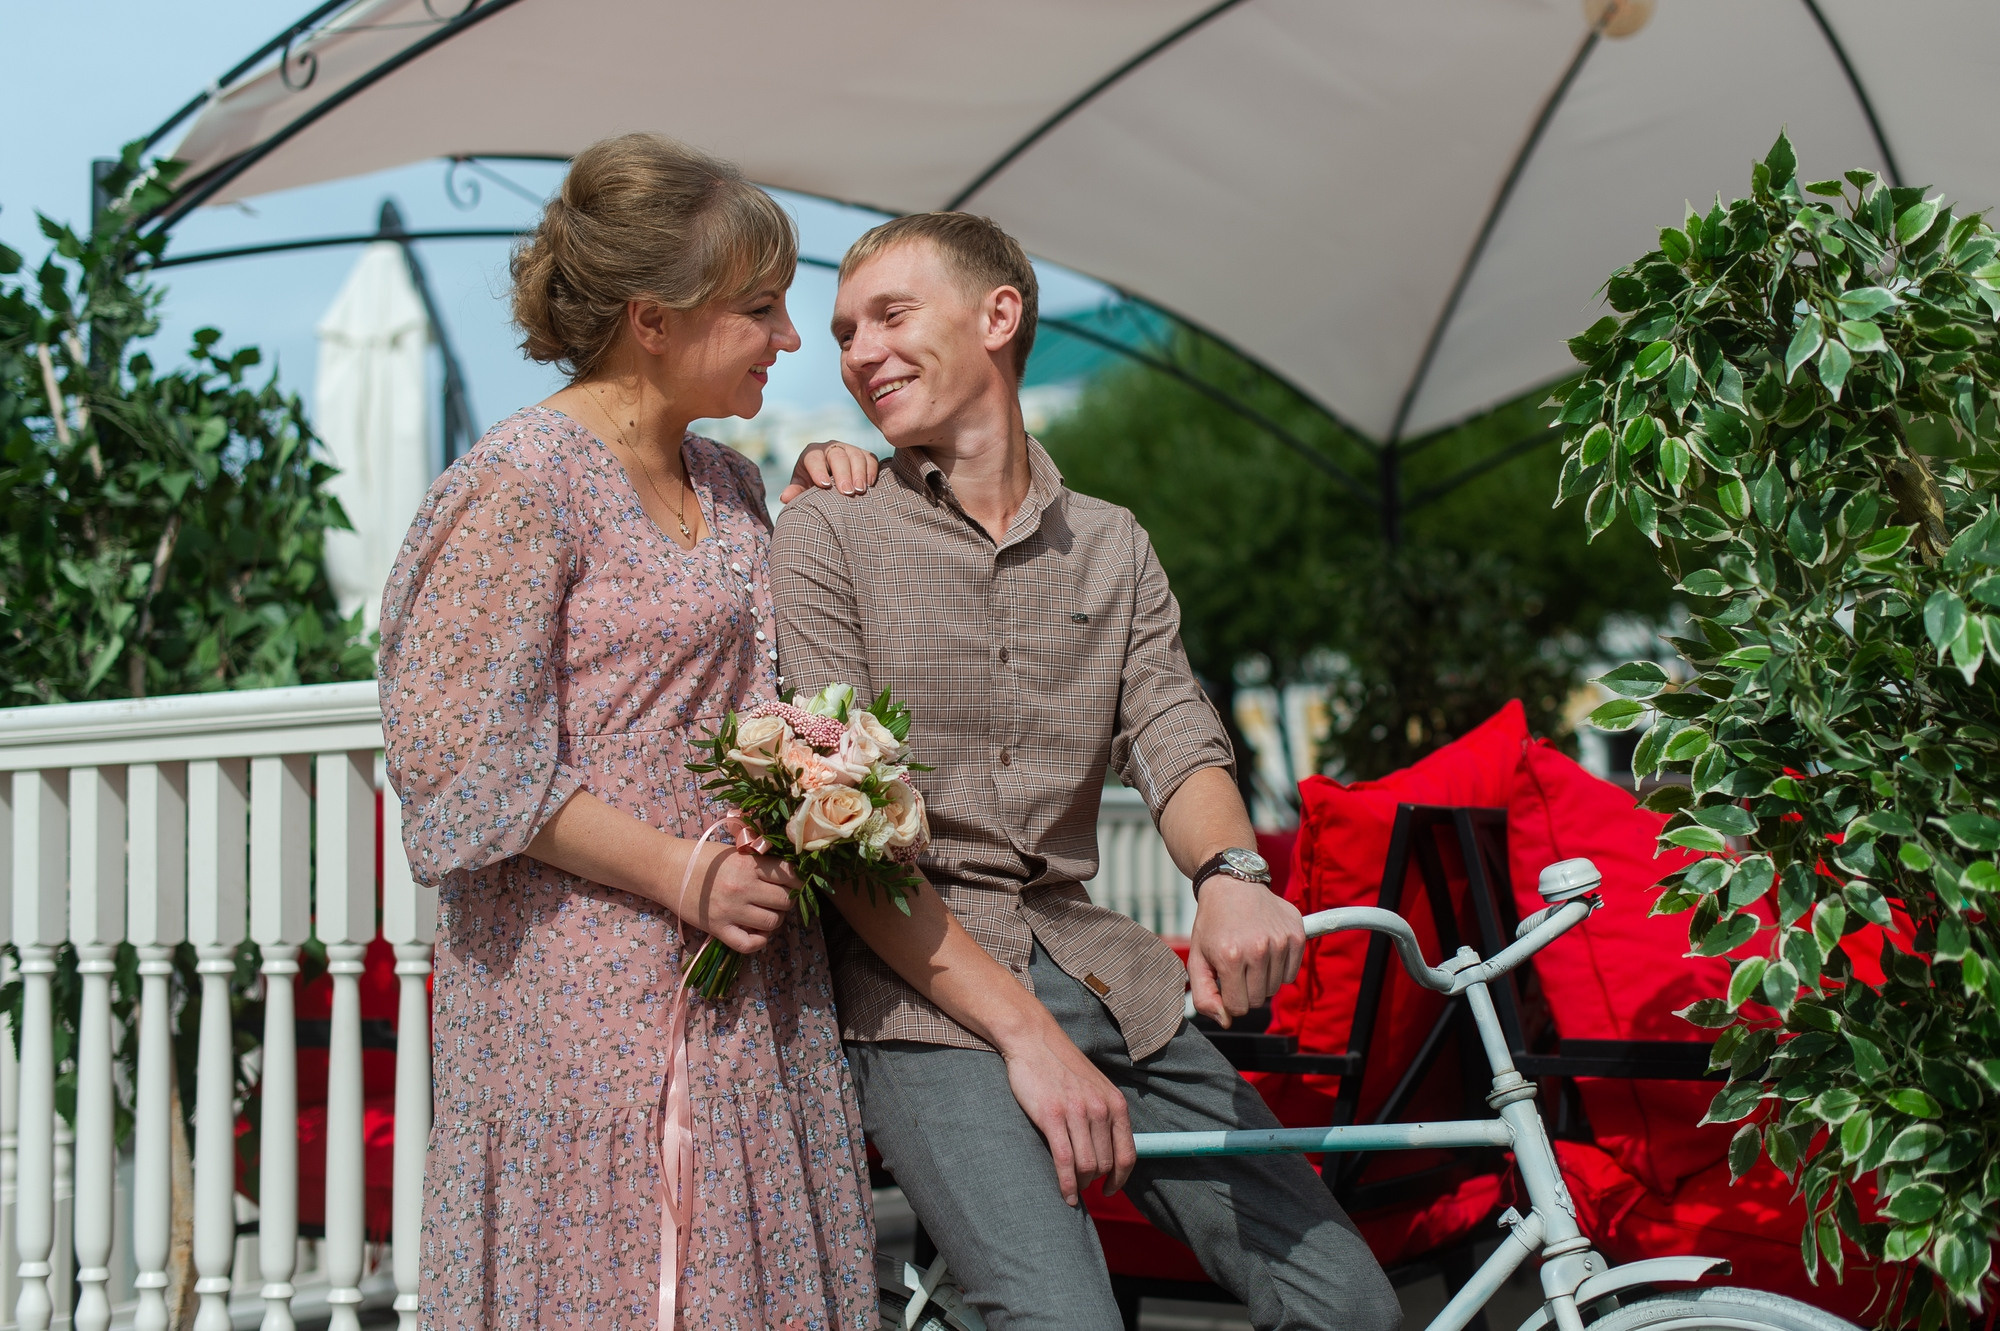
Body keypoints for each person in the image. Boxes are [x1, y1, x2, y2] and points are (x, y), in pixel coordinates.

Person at [770, 213, 1405, 1331]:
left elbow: (1171, 724)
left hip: (1107, 976)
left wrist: (1228, 873)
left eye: (890, 315)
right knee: (1064, 1320)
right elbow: (843, 829)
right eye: (843, 330)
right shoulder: (833, 528)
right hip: (919, 987)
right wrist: (1030, 1037)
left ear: (998, 315)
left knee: (1346, 1302)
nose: (857, 351)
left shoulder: (1112, 545)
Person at [378, 133, 885, 1330]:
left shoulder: (729, 480)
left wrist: (818, 502)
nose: (791, 337)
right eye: (759, 308)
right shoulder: (520, 482)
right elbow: (457, 756)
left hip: (744, 980)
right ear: (652, 321)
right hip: (582, 994)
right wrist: (681, 869)